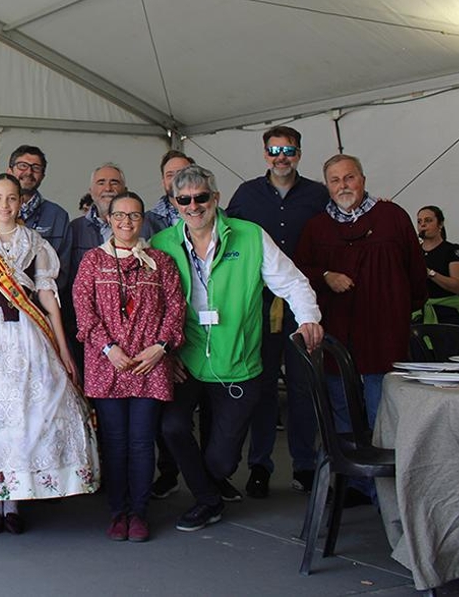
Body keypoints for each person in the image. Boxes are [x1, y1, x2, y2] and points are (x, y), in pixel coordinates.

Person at [150, 165, 322, 533]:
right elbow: (152, 305)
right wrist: (166, 353)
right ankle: (207, 501)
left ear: (216, 199)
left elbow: (291, 283)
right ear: (174, 203)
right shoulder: (162, 243)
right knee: (173, 426)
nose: (193, 206)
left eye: (201, 198)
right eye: (184, 200)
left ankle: (210, 482)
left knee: (222, 460)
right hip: (187, 358)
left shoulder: (250, 236)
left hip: (238, 359)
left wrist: (308, 318)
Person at [0, 173, 100, 535]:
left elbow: (48, 296)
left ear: (20, 202)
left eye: (12, 198)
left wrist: (62, 346)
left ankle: (13, 501)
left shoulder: (36, 243)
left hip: (27, 333)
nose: (5, 205)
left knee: (26, 413)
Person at [295, 154, 427, 504]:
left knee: (380, 412)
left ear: (363, 179)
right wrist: (325, 276)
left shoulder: (391, 216)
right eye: (335, 180)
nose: (343, 185)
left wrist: (397, 310)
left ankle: (387, 491)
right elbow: (299, 270)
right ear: (327, 186)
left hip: (383, 337)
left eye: (349, 177)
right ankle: (355, 484)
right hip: (338, 337)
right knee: (341, 411)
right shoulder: (317, 227)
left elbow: (416, 272)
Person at [73, 191, 185, 542]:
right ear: (108, 219)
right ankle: (117, 511)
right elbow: (84, 310)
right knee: (115, 441)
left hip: (149, 367)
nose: (126, 222)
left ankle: (139, 512)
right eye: (119, 215)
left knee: (141, 442)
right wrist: (109, 348)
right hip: (108, 365)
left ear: (143, 220)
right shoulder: (93, 261)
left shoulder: (161, 262)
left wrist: (160, 348)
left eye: (134, 215)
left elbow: (176, 310)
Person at [226, 125, 329, 499]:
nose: (280, 157)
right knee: (263, 387)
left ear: (299, 153)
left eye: (288, 150)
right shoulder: (246, 195)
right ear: (264, 154)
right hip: (259, 306)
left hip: (303, 306)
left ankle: (304, 464)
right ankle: (260, 466)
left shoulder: (319, 194)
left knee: (303, 388)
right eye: (274, 150)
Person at [145, 150, 195, 501]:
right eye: (169, 174)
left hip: (204, 329)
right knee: (166, 412)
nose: (176, 179)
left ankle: (208, 474)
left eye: (183, 172)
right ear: (162, 180)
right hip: (159, 330)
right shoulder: (147, 222)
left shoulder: (201, 210)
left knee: (202, 408)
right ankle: (168, 471)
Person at [0, 145, 73, 297]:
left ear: (43, 175)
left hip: (39, 306)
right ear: (10, 171)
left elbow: (62, 269)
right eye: (22, 166)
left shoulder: (58, 216)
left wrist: (37, 300)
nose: (29, 172)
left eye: (36, 168)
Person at [414, 205, 459, 326]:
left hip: (447, 316)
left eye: (428, 220)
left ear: (440, 224)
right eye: (419, 221)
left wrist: (429, 273)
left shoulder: (452, 250)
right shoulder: (414, 252)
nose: (422, 225)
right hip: (419, 316)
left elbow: (458, 286)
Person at [146, 150, 194, 234]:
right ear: (163, 182)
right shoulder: (146, 220)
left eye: (181, 173)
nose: (175, 179)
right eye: (170, 175)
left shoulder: (215, 214)